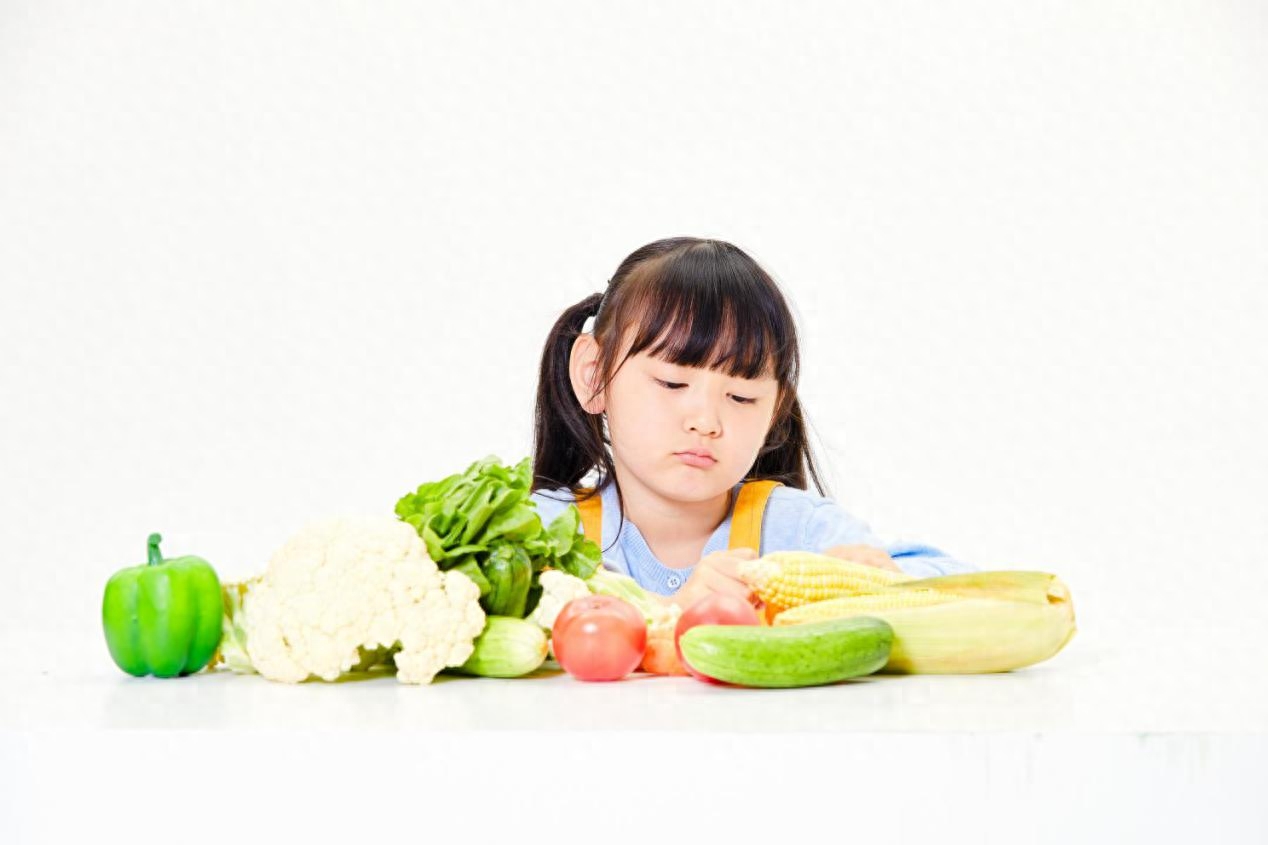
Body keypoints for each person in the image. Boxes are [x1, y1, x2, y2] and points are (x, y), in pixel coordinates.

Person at [528, 237, 977, 609]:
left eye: (741, 396)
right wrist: (671, 612)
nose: (706, 421)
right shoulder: (546, 529)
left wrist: (888, 578)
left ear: (775, 409)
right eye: (671, 383)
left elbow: (961, 583)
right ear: (594, 376)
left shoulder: (795, 530)